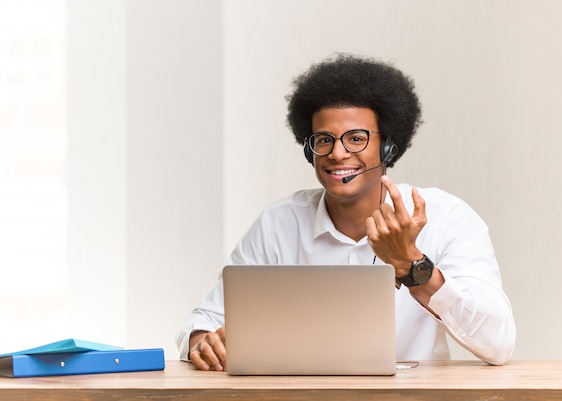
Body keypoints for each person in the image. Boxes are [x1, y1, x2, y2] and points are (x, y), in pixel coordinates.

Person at [176, 53, 516, 371]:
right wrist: (204, 342)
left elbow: (497, 344)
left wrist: (412, 266)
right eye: (324, 139)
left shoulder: (446, 217)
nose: (337, 153)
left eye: (356, 138)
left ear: (388, 146)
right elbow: (201, 321)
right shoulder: (278, 223)